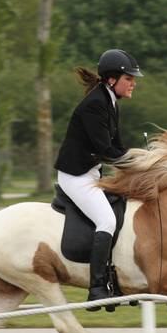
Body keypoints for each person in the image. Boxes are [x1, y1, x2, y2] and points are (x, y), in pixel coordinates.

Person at [54, 49, 143, 306]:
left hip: (91, 173)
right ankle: (97, 289)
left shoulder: (109, 101)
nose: (133, 83)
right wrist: (141, 163)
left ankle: (117, 281)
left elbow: (117, 146)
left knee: (122, 211)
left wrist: (141, 161)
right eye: (129, 78)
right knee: (105, 220)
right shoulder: (95, 104)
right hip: (76, 177)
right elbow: (107, 151)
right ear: (112, 79)